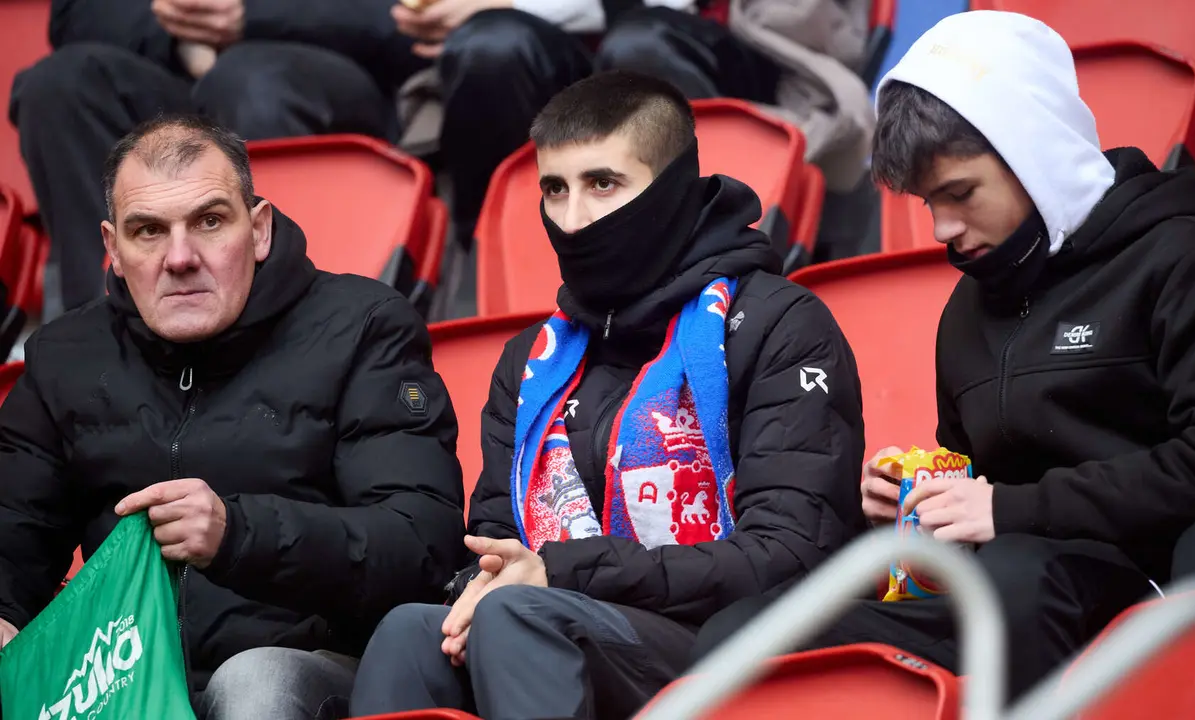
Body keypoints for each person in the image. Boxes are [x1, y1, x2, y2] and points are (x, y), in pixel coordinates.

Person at [697, 10, 1195, 696]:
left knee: (1017, 581)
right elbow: (976, 477)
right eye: (926, 202)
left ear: (1033, 154)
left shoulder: (1185, 261)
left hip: (1146, 577)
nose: (943, 229)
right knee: (739, 634)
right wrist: (913, 502)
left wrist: (1010, 511)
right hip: (1009, 583)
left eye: (960, 194)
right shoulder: (968, 309)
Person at [347, 71, 865, 719]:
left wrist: (567, 572)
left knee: (519, 614)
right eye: (554, 190)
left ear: (674, 189)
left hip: (735, 640)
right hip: (568, 622)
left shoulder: (780, 324)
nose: (572, 219)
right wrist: (487, 580)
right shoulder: (530, 360)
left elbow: (792, 555)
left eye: (603, 184)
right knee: (412, 631)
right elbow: (496, 536)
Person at [0, 115, 468, 720]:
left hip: (321, 668)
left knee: (255, 682)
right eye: (148, 231)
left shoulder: (363, 326)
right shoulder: (65, 355)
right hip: (123, 681)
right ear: (113, 251)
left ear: (260, 229)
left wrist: (237, 535)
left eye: (210, 221)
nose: (180, 257)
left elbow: (420, 543)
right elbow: (14, 533)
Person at [9, 0, 427, 318]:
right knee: (58, 85)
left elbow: (405, 17)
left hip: (322, 68)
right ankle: (105, 329)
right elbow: (75, 15)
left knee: (248, 80)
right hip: (169, 64)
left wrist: (252, 16)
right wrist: (181, 35)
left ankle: (279, 325)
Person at [391, 0, 876, 245]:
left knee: (641, 48)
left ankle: (699, 249)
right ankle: (510, 258)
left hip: (719, 42)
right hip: (553, 53)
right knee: (489, 49)